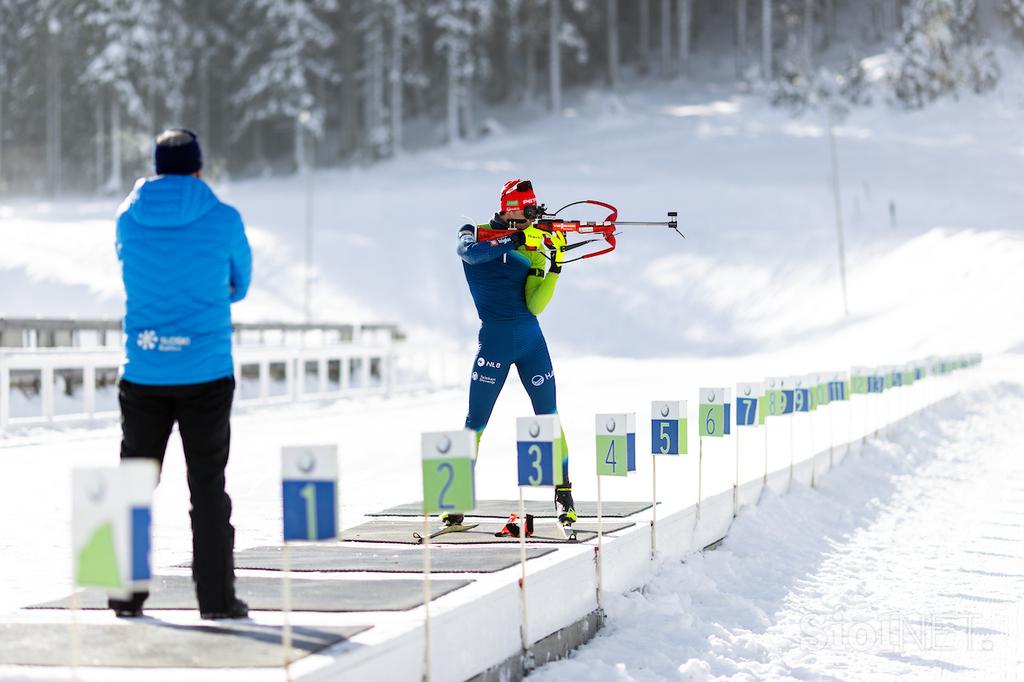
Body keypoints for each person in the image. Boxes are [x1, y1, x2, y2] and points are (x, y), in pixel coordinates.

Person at [109, 129, 252, 619]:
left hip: (144, 369)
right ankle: (216, 600)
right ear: (198, 167)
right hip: (205, 371)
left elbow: (129, 270)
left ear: (156, 166)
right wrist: (211, 298)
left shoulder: (128, 218)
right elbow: (241, 283)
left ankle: (125, 595)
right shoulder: (223, 217)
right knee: (207, 485)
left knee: (133, 482)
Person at [452, 179, 575, 529]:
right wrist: (520, 238)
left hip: (531, 341)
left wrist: (553, 266)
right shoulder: (472, 231)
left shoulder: (535, 243)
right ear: (507, 208)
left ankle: (564, 493)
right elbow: (471, 254)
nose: (528, 221)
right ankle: (456, 497)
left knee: (548, 416)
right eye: (524, 213)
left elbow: (535, 304)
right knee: (475, 421)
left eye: (532, 215)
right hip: (493, 341)